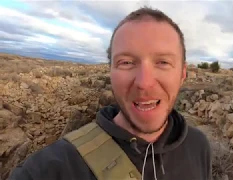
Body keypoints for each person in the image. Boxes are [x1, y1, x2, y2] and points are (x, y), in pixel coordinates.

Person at [9, 6, 212, 180]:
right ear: (110, 71)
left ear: (183, 74)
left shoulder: (198, 146)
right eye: (126, 62)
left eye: (163, 62)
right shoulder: (52, 169)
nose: (144, 83)